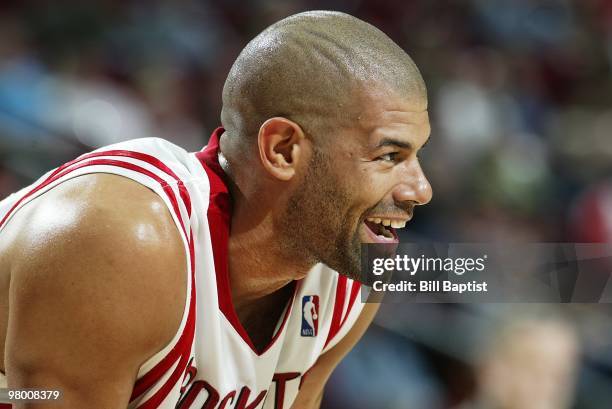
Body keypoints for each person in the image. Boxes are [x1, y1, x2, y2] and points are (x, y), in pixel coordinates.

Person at [0, 10, 432, 409]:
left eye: (417, 156)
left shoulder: (349, 277)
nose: (421, 189)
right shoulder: (116, 240)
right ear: (283, 150)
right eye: (389, 156)